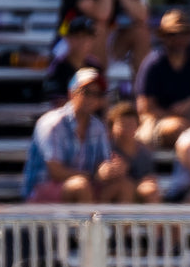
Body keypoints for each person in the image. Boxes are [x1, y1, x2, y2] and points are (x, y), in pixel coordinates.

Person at [23, 69, 123, 204]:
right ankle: (89, 219)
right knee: (80, 186)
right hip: (42, 190)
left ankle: (107, 219)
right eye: (87, 92)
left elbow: (103, 162)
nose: (92, 98)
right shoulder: (52, 123)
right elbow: (55, 171)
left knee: (123, 185)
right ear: (72, 93)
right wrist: (94, 176)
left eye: (97, 94)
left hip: (84, 183)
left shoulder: (98, 126)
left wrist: (110, 169)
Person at [135, 9, 190, 148]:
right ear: (164, 37)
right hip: (159, 119)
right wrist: (172, 115)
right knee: (176, 127)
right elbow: (145, 109)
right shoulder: (153, 63)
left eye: (184, 33)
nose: (179, 39)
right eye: (173, 34)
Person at [105, 101, 162, 204]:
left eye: (131, 124)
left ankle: (153, 214)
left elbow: (148, 176)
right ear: (112, 126)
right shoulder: (106, 149)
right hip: (110, 189)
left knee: (150, 190)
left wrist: (148, 181)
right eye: (122, 124)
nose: (127, 128)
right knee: (126, 186)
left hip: (138, 186)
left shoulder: (144, 152)